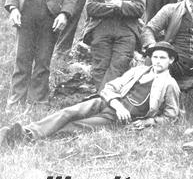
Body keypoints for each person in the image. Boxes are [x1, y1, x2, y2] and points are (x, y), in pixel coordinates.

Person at [0, 42, 180, 145]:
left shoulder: (169, 84)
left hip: (119, 119)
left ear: (170, 60)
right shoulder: (138, 71)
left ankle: (27, 138)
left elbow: (171, 115)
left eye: (162, 58)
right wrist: (117, 104)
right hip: (108, 103)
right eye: (155, 57)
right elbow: (109, 87)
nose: (157, 61)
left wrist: (149, 121)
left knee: (77, 125)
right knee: (68, 112)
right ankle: (26, 131)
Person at [82, 0, 146, 89]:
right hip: (101, 29)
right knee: (99, 67)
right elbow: (91, 8)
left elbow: (139, 9)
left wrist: (119, 4)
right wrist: (119, 8)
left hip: (126, 31)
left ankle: (101, 101)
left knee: (118, 67)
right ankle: (106, 101)